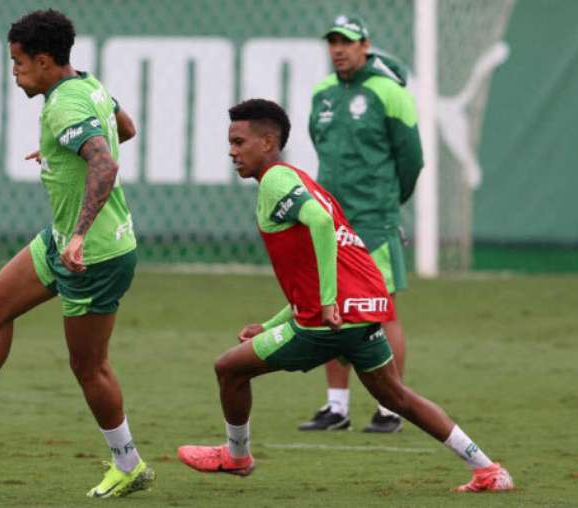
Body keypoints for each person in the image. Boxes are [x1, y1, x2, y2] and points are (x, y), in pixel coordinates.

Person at [176, 98, 513, 493]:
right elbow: (318, 268)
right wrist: (270, 325)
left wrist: (328, 303)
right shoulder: (302, 180)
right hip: (362, 312)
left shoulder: (275, 181)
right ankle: (488, 469)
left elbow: (319, 226)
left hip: (329, 322)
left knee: (229, 369)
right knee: (397, 396)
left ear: (268, 142)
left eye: (239, 141)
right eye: (230, 142)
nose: (231, 151)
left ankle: (236, 456)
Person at [0, 9, 155, 499]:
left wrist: (80, 234)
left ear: (44, 61)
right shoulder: (87, 84)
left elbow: (103, 161)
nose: (13, 71)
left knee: (89, 367)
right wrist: (61, 153)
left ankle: (129, 463)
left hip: (96, 253)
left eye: (18, 62)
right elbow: (124, 128)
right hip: (62, 239)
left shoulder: (64, 106)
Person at [301, 14, 424, 433]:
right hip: (331, 220)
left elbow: (411, 158)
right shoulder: (322, 93)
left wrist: (390, 202)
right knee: (333, 307)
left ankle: (392, 407)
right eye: (332, 41)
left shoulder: (390, 94)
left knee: (381, 308)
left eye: (347, 41)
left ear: (365, 46)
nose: (338, 49)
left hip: (375, 219)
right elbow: (320, 144)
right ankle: (336, 407)